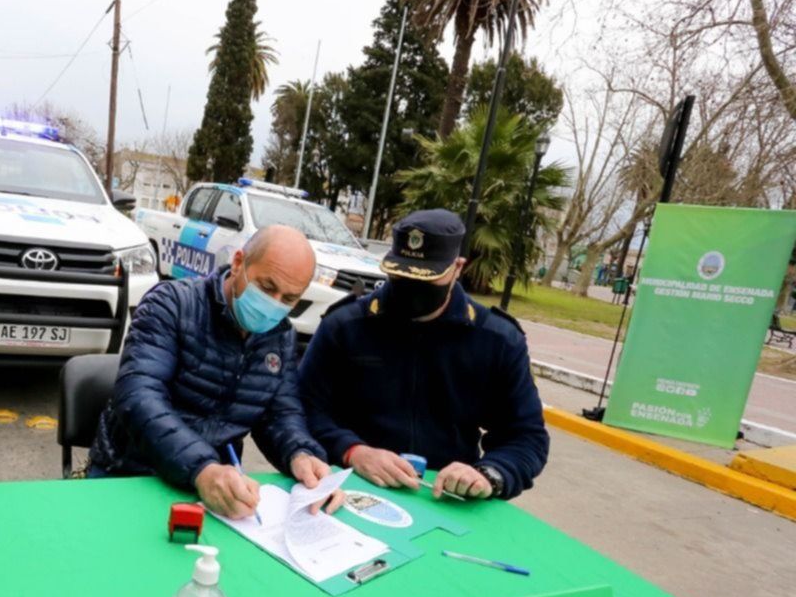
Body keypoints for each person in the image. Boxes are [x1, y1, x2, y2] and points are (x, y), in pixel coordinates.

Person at [89, 225, 343, 518]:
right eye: (267, 287)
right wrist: (202, 468)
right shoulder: (172, 303)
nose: (273, 305)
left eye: (288, 299)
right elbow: (138, 395)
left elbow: (280, 412)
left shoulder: (280, 336)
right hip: (131, 473)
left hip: (218, 486)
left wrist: (301, 454)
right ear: (238, 264)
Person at [299, 209, 548, 500]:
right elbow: (303, 407)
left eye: (427, 279)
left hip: (449, 497)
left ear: (458, 268)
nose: (412, 289)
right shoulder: (345, 325)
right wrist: (351, 450)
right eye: (401, 275)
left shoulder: (498, 340)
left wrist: (489, 473)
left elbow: (526, 436)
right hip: (350, 486)